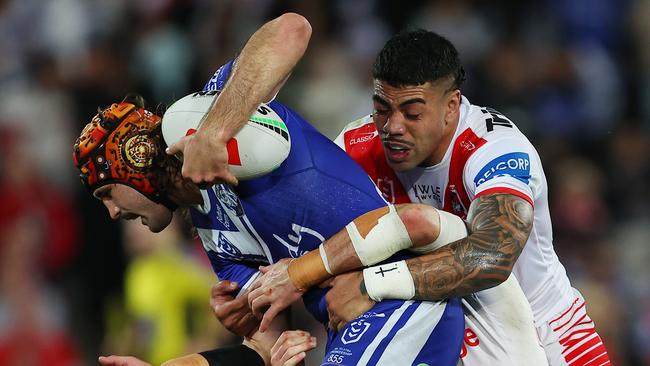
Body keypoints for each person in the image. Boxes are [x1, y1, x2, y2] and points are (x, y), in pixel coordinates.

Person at [75, 13, 464, 366]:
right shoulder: (215, 238)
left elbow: (294, 28)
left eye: (106, 192)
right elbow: (263, 346)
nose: (111, 212)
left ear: (134, 158)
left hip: (404, 305)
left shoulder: (211, 113)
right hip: (358, 331)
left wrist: (214, 131)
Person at [248, 29, 611, 366]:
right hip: (438, 332)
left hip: (545, 329)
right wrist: (251, 299)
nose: (393, 128)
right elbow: (302, 238)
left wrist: (369, 286)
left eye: (413, 112)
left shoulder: (494, 149)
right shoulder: (356, 149)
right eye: (382, 108)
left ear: (452, 105)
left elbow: (492, 255)